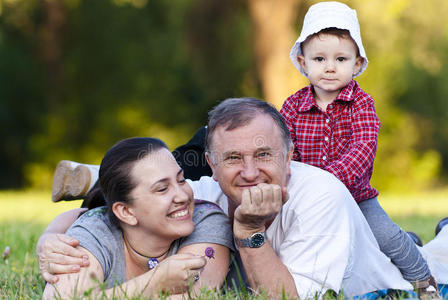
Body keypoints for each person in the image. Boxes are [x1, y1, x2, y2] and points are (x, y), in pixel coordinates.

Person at [38, 98, 448, 299]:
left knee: (439, 260)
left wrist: (250, 231)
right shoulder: (201, 194)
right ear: (210, 167)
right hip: (343, 247)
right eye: (233, 158)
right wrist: (50, 238)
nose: (249, 172)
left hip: (385, 284)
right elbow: (111, 213)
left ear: (290, 157)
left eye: (264, 155)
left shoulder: (320, 194)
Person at [279, 1, 437, 296]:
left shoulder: (361, 103)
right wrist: (296, 183)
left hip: (356, 196)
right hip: (307, 199)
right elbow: (285, 151)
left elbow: (362, 148)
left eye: (340, 59)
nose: (329, 67)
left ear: (357, 64)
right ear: (303, 63)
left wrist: (326, 181)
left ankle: (423, 280)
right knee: (308, 242)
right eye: (319, 59)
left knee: (386, 236)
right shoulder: (292, 106)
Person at [39, 137, 234, 299]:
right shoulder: (96, 230)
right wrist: (153, 283)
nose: (183, 196)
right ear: (126, 212)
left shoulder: (207, 221)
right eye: (162, 188)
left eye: (181, 179)